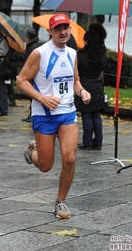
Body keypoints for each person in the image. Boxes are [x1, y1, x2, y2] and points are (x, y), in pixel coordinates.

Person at [16, 13, 91, 219]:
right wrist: (42, 98)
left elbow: (75, 80)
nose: (63, 32)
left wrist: (82, 91)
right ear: (50, 32)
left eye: (66, 27)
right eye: (58, 29)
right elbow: (21, 81)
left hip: (67, 113)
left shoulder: (72, 54)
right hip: (44, 113)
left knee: (70, 158)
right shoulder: (39, 53)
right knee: (46, 166)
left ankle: (61, 202)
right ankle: (32, 152)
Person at [75, 30, 107, 150]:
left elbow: (77, 70)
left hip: (84, 87)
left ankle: (87, 142)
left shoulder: (81, 56)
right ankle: (98, 142)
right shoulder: (101, 55)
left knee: (86, 115)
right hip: (97, 87)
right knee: (96, 115)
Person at [21, 27, 41, 123]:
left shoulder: (33, 47)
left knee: (33, 94)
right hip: (32, 75)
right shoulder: (32, 45)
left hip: (33, 75)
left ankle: (32, 114)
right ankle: (31, 113)